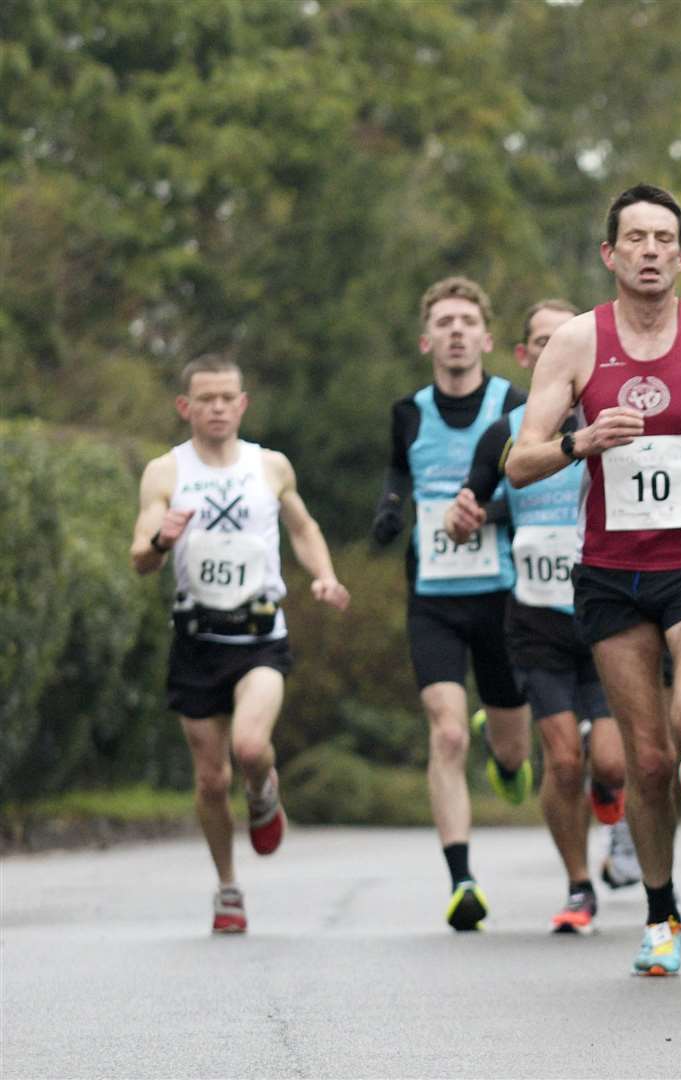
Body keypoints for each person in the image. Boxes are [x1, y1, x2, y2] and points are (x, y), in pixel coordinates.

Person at [506, 183, 681, 976]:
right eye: (636, 239)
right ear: (610, 255)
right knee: (642, 762)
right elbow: (520, 461)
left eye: (665, 239)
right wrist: (581, 440)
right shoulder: (576, 345)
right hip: (612, 575)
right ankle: (661, 914)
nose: (651, 251)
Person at [130, 354, 350, 934]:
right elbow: (140, 558)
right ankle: (228, 888)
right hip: (197, 638)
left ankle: (263, 790)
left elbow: (302, 527)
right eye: (207, 399)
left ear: (243, 403)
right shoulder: (165, 472)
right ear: (186, 407)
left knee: (250, 748)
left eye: (229, 397)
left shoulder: (270, 466)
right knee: (209, 779)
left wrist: (323, 575)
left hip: (259, 636)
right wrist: (160, 538)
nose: (219, 407)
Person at [444, 298, 641, 935]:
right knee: (561, 761)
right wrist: (462, 515)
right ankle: (579, 885)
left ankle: (615, 810)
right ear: (527, 356)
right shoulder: (506, 431)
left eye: (566, 337)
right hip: (536, 618)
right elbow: (472, 500)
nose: (553, 347)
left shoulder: (613, 419)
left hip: (607, 608)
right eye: (540, 340)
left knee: (610, 763)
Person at [370, 276, 533, 932]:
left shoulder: (514, 404)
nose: (457, 331)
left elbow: (535, 491)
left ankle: (505, 753)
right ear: (426, 339)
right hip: (432, 597)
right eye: (445, 321)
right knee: (443, 729)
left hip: (503, 595)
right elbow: (397, 473)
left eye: (468, 320)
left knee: (516, 754)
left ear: (487, 338)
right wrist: (387, 511)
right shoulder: (408, 412)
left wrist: (483, 516)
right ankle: (461, 880)